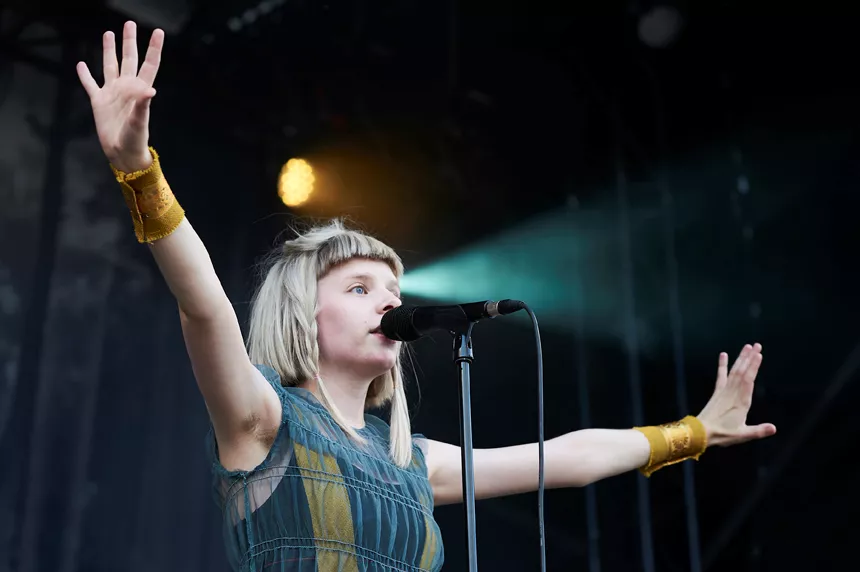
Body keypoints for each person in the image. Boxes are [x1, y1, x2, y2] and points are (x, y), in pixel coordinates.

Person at [76, 22, 778, 572]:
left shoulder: (412, 461)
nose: (388, 302)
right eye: (359, 288)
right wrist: (138, 171)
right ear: (303, 315)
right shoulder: (262, 419)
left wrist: (695, 433)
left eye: (393, 289)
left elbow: (568, 458)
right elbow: (204, 306)